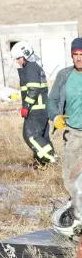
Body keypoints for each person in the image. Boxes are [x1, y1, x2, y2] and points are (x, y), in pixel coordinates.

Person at [11, 42, 56, 169]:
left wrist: (26, 106)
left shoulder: (30, 68)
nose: (17, 61)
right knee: (42, 137)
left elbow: (34, 89)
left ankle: (51, 158)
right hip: (41, 109)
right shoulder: (34, 67)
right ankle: (42, 162)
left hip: (36, 109)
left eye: (19, 58)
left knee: (30, 136)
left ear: (25, 56)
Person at [47, 38, 82, 194]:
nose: (79, 58)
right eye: (75, 54)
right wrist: (55, 116)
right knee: (70, 174)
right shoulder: (64, 75)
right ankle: (75, 208)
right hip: (72, 133)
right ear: (71, 55)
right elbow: (51, 100)